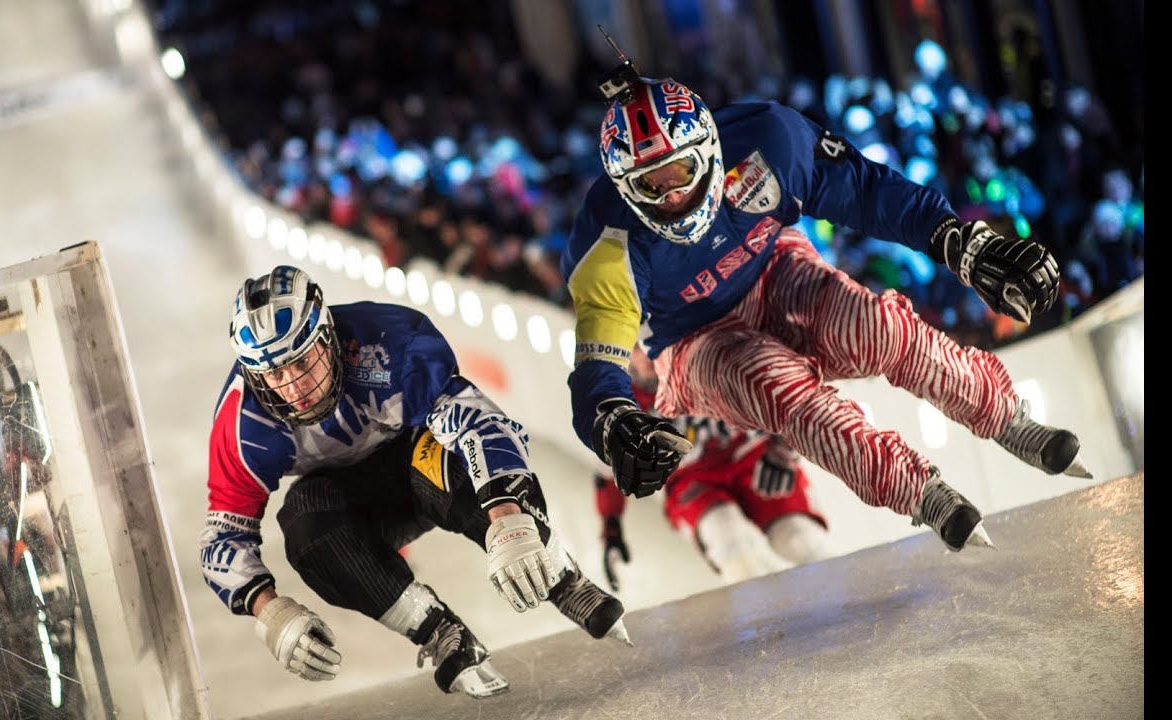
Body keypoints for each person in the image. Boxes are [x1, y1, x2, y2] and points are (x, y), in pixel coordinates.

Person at [561, 61, 1091, 555]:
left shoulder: (769, 138)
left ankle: (1002, 414)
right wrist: (608, 418)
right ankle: (914, 488)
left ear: (708, 148)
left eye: (677, 173)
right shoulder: (606, 244)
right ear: (623, 187)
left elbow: (862, 189)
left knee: (878, 328)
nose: (671, 196)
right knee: (783, 387)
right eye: (650, 185)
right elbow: (596, 367)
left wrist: (958, 241)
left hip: (773, 265)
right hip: (691, 340)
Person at [200, 265, 629, 700]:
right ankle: (436, 629)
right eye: (274, 374)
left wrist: (508, 520)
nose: (295, 388)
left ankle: (560, 576)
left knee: (448, 457)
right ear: (253, 375)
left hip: (418, 463)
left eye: (302, 361)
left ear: (328, 335)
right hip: (347, 507)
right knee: (303, 524)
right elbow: (223, 535)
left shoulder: (389, 341)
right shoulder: (241, 423)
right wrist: (269, 611)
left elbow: (478, 423)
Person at [595, 347, 832, 590]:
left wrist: (784, 448)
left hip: (752, 453)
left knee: (801, 539)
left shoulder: (704, 348)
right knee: (731, 544)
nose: (645, 356)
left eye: (646, 343)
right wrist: (611, 528)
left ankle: (844, 603)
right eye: (634, 347)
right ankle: (768, 619)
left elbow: (780, 385)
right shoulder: (622, 400)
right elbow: (610, 467)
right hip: (691, 479)